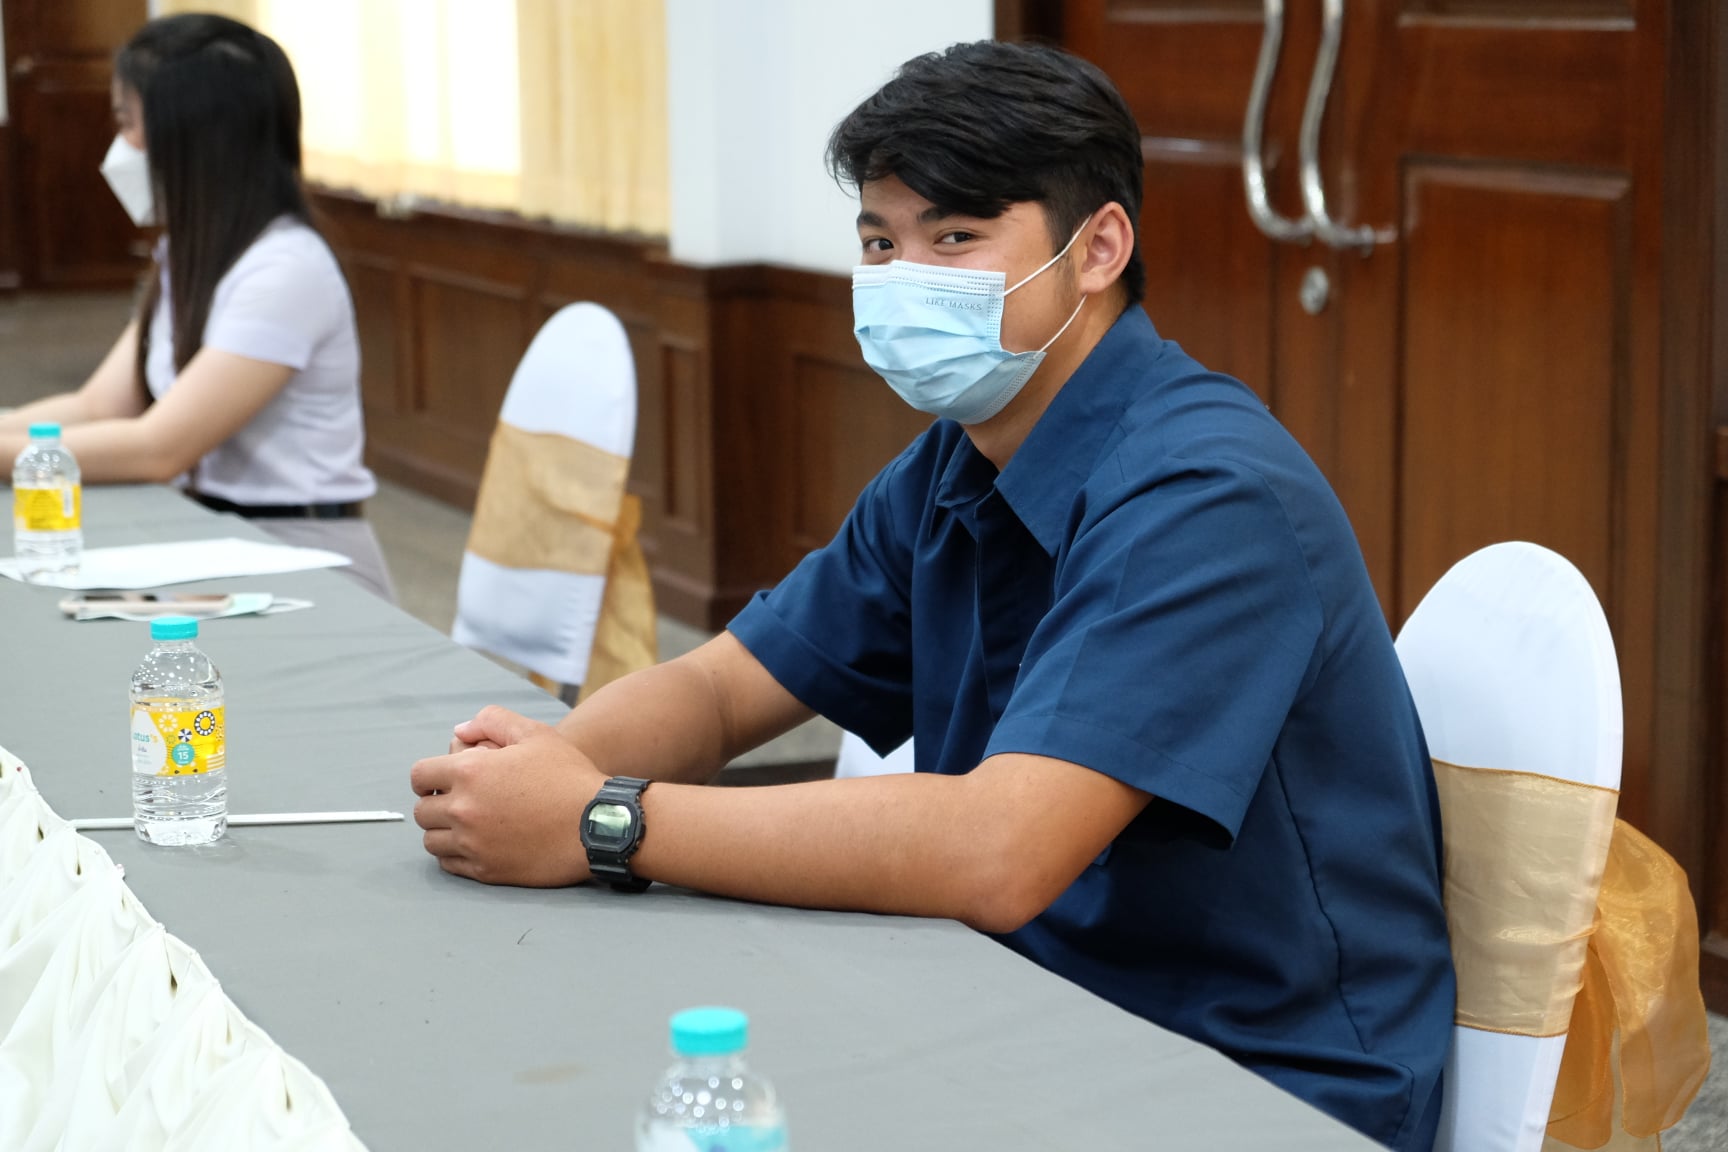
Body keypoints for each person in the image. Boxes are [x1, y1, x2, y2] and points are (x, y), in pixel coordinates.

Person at [410, 41, 1453, 1150]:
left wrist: (601, 822)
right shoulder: (958, 462)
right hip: (1032, 1001)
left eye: (954, 237)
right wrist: (557, 766)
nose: (906, 277)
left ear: (1097, 248)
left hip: (1250, 1077)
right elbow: (724, 690)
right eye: (880, 242)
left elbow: (997, 852)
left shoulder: (1208, 494)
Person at [0, 14, 392, 600]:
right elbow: (98, 404)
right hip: (216, 539)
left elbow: (159, 447)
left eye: (129, 124)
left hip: (303, 559)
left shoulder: (286, 268)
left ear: (193, 136)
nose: (118, 147)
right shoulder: (191, 253)